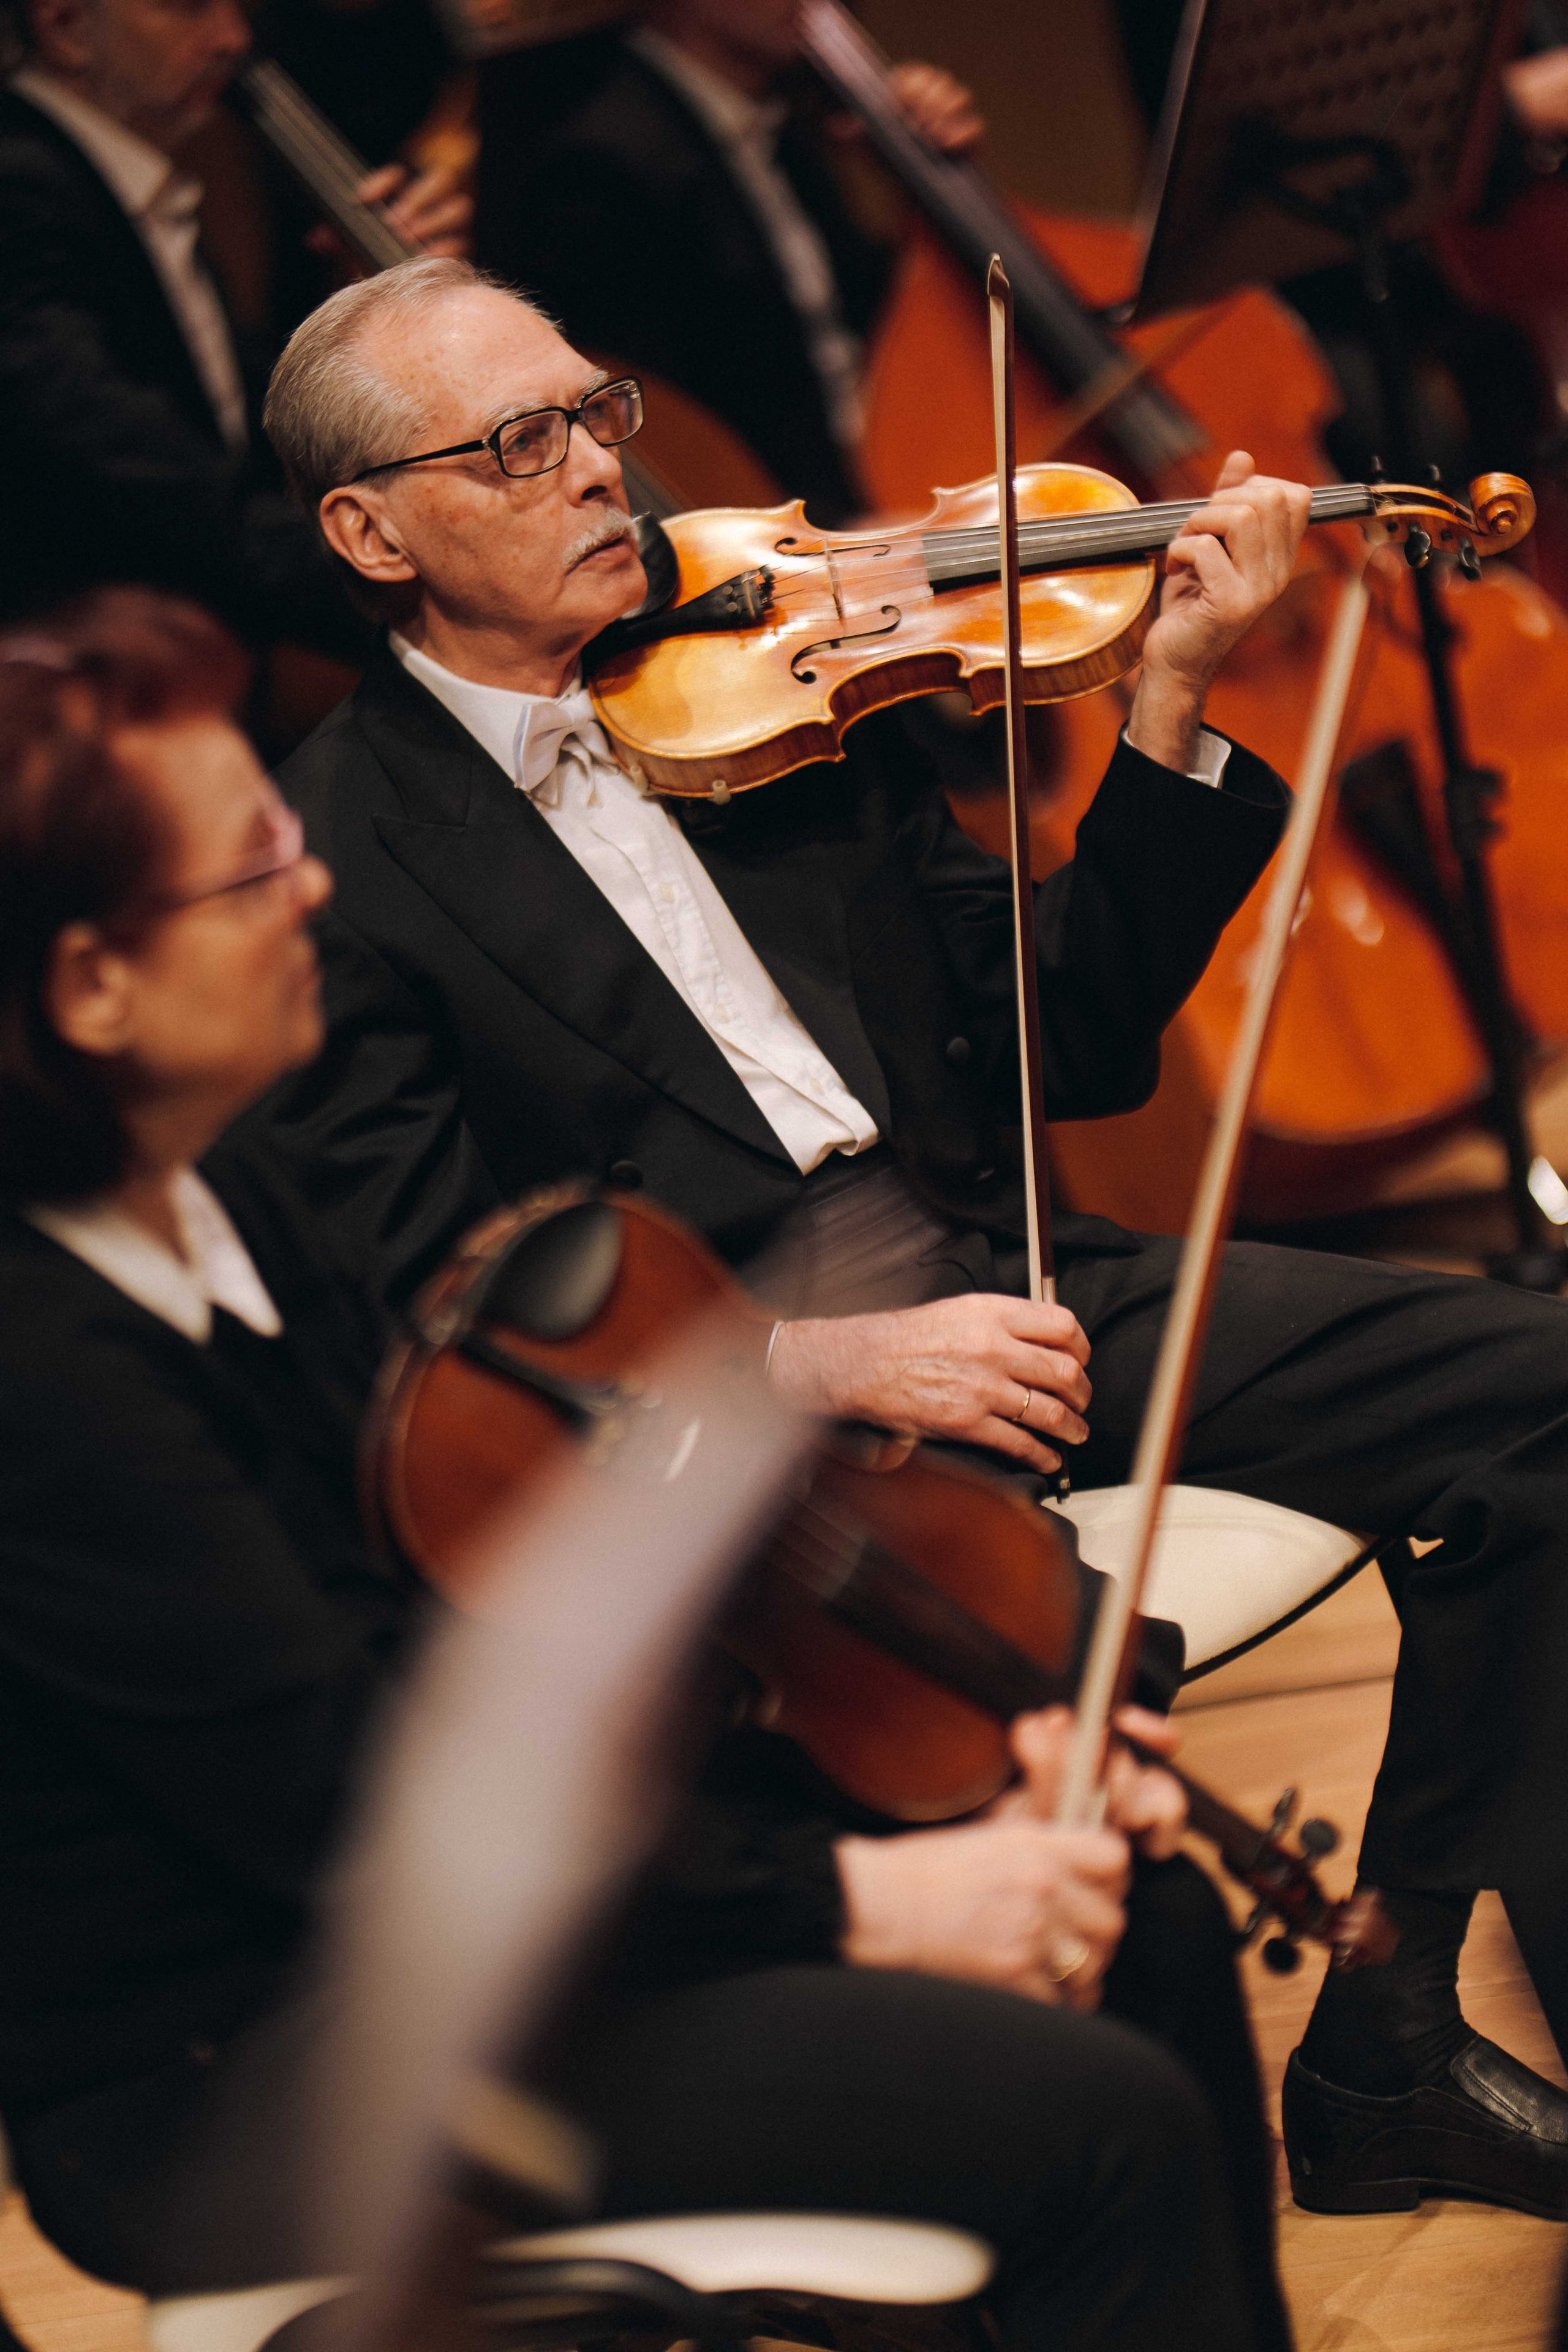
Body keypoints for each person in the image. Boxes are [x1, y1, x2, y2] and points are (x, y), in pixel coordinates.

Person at [240, 254, 1568, 2225]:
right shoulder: (333, 863)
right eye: (519, 445)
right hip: (760, 1416)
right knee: (1031, 1700)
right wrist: (805, 1360)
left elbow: (1071, 1033)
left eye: (596, 410)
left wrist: (1172, 698)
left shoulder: (763, 696)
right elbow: (437, 1311)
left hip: (1016, 1267)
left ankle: (1383, 2034)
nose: (602, 472)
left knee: (1540, 1400)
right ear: (369, 529)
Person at [0, 587, 1289, 2351]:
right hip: (260, 2078)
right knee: (1093, 2121)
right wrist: (861, 1897)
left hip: (462, 1946)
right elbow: (366, 1806)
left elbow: (497, 1660)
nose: (313, 889)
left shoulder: (234, 1194)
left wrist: (972, 1763)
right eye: (252, 871)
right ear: (91, 986)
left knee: (1142, 1937)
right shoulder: (47, 1375)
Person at [0, 0, 469, 655]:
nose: (235, 37)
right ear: (68, 29)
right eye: (192, 7)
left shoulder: (114, 183)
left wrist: (366, 320)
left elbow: (229, 413)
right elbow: (155, 485)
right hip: (105, 694)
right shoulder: (21, 194)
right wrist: (446, 606)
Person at [474, 0, 982, 519]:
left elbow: (866, 335)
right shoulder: (598, 165)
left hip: (877, 485)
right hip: (780, 523)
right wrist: (843, 527)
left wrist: (916, 185)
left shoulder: (788, 118)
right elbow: (672, 437)